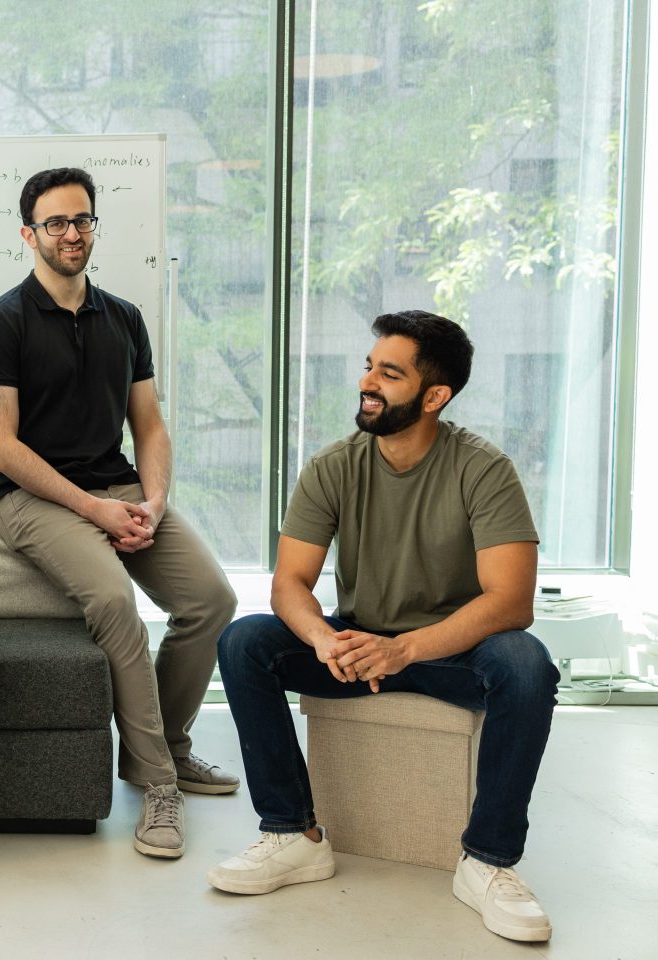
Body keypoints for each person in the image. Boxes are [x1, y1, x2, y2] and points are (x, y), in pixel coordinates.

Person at [208, 310, 558, 943]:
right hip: (357, 642)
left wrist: (406, 650)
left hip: (452, 651)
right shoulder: (333, 466)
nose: (367, 382)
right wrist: (323, 638)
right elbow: (290, 584)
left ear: (435, 396)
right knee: (245, 641)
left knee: (527, 662)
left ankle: (488, 861)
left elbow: (511, 602)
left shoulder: (483, 468)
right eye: (370, 367)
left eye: (389, 374)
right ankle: (291, 833)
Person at [0, 167, 238, 860]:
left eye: (81, 219)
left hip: (121, 490)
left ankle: (167, 744)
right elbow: (1, 446)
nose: (71, 233)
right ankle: (157, 784)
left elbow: (149, 424)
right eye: (55, 222)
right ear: (29, 234)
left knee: (212, 600)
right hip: (32, 500)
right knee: (116, 602)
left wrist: (153, 501)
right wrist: (95, 510)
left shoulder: (124, 318)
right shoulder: (0, 323)